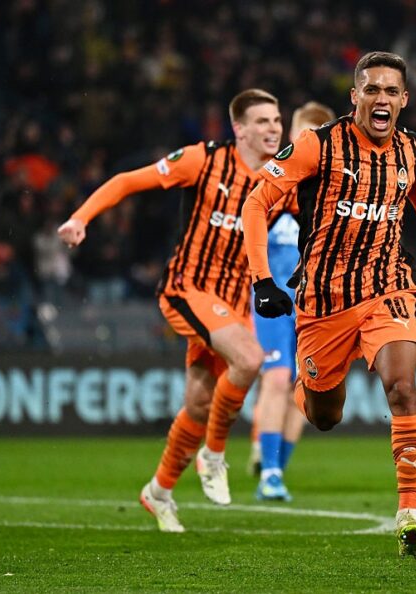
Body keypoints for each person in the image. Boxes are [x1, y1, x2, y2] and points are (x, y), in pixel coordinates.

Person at [241, 51, 416, 557]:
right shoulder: (318, 145)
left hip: (387, 287)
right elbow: (256, 202)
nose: (381, 98)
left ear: (404, 99)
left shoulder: (412, 151)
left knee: (402, 388)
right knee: (324, 415)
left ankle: (409, 511)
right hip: (323, 302)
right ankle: (309, 388)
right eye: (371, 89)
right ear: (355, 96)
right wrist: (262, 279)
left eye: (391, 90)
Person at [58, 89, 285, 532]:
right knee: (250, 358)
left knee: (198, 405)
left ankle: (158, 492)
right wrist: (81, 217)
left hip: (233, 301)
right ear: (239, 129)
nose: (273, 128)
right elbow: (127, 181)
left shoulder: (281, 179)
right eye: (262, 121)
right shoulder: (203, 160)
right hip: (188, 288)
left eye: (277, 120)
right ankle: (214, 456)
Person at [249, 101, 336, 502]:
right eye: (302, 133)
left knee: (304, 386)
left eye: (314, 135)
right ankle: (268, 470)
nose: (307, 141)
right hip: (272, 303)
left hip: (313, 304)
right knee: (277, 377)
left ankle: (276, 470)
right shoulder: (274, 182)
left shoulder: (332, 195)